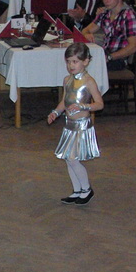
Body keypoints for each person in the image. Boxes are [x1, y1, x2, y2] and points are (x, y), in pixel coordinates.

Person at [47, 43, 103, 204]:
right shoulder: (67, 80)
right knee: (68, 158)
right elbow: (64, 102)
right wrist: (55, 112)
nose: (71, 65)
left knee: (72, 159)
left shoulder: (89, 81)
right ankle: (77, 190)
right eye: (68, 61)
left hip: (82, 126)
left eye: (75, 62)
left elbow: (99, 104)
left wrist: (83, 106)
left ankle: (86, 189)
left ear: (85, 61)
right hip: (69, 125)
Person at [84, 0, 136, 70]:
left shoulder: (129, 16)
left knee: (84, 66)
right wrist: (86, 34)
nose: (106, 1)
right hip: (104, 53)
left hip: (119, 59)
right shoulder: (105, 13)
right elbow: (86, 30)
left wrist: (110, 57)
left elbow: (134, 46)